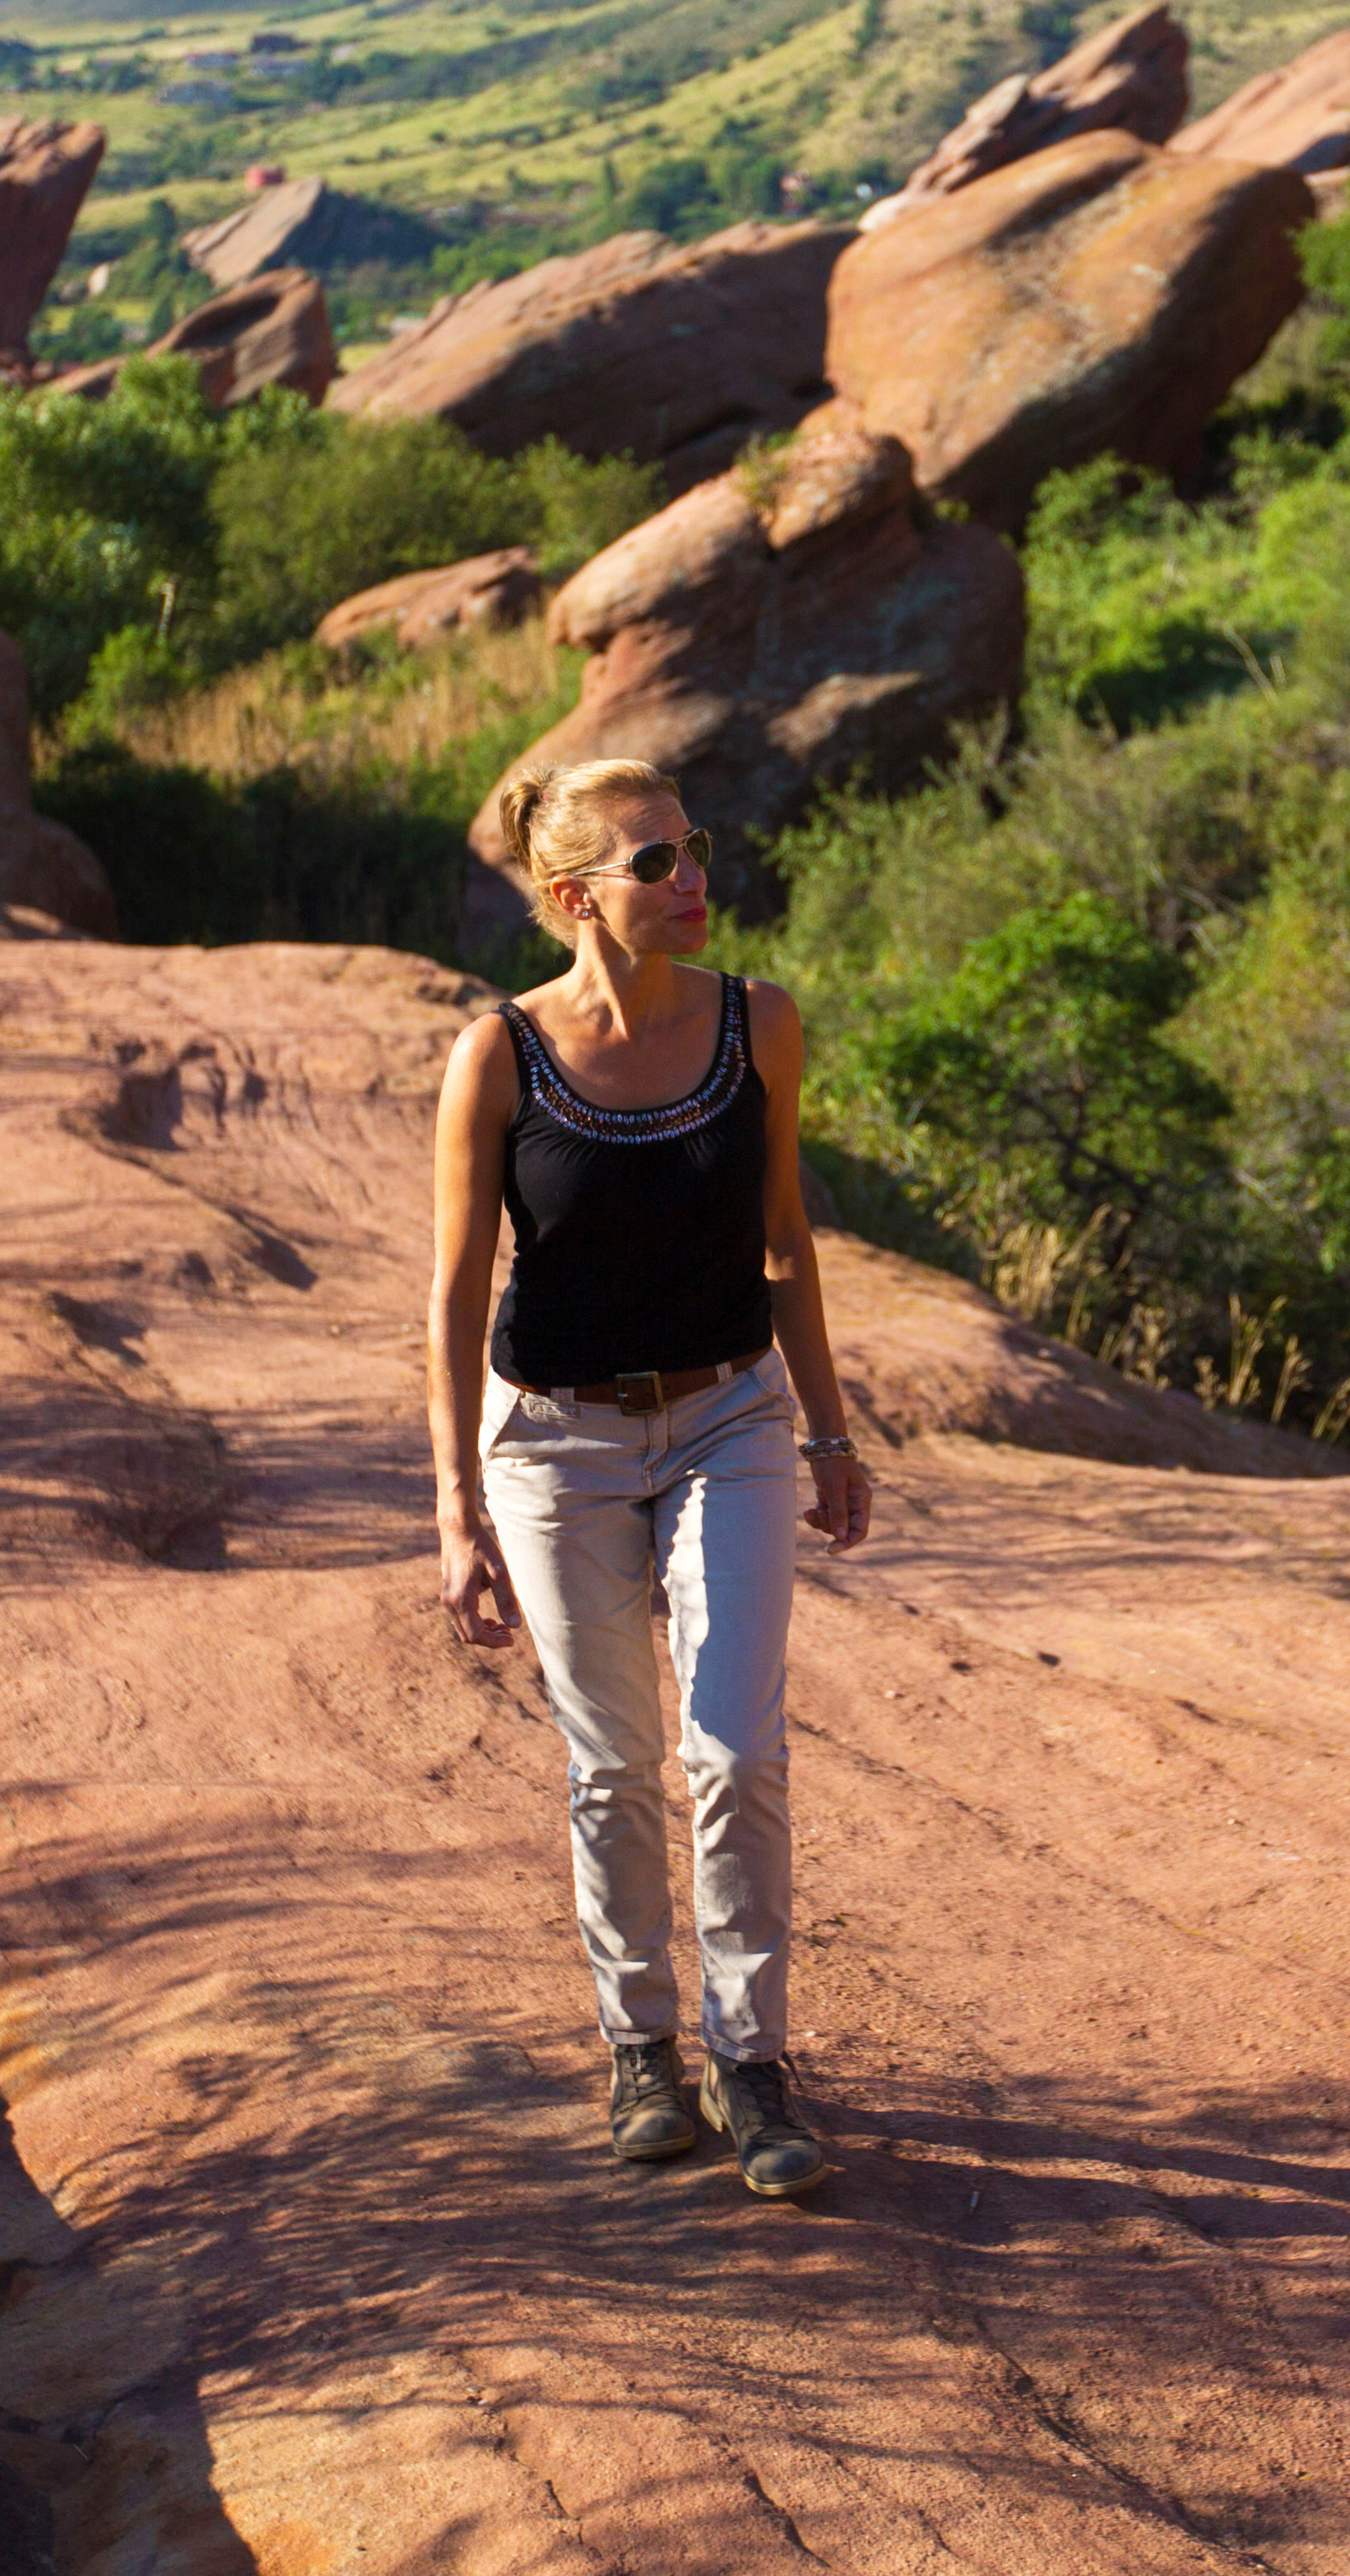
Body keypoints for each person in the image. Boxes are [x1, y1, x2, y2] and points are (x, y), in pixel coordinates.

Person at [425, 756, 875, 2197]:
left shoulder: (764, 1026)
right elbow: (451, 1294)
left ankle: (753, 2063)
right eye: (655, 863)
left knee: (733, 1746)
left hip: (727, 1419)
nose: (692, 880)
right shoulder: (500, 1054)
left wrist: (827, 1425)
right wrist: (454, 1507)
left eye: (693, 845)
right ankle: (641, 2049)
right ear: (574, 900)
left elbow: (785, 1235)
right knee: (613, 1763)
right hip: (553, 1445)